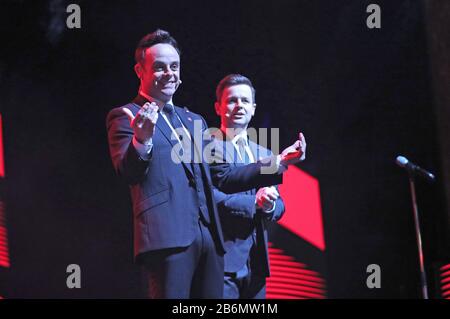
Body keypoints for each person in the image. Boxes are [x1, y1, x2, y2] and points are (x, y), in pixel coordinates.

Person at [106, 29, 306, 299]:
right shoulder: (126, 115)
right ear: (140, 71)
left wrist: (279, 162)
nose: (169, 73)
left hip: (210, 242)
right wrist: (142, 140)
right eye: (159, 67)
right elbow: (128, 171)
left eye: (174, 67)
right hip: (167, 240)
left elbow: (224, 176)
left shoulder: (193, 121)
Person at [211, 74, 292, 298]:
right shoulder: (207, 147)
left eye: (245, 101)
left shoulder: (264, 154)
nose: (239, 106)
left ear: (253, 108)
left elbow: (280, 205)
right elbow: (209, 199)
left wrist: (268, 206)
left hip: (256, 263)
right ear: (218, 107)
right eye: (232, 100)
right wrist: (254, 203)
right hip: (221, 260)